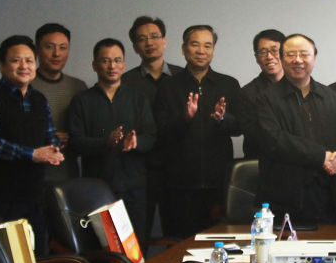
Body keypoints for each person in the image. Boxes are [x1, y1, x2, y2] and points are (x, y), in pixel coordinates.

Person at [0, 35, 64, 256]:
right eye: (16, 60)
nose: (24, 66)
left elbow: (50, 135)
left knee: (36, 259)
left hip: (35, 197)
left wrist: (54, 150)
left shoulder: (39, 99)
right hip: (1, 200)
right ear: (3, 66)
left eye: (29, 61)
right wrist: (32, 154)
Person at [255, 34, 336, 224]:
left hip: (326, 197)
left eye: (304, 54)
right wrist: (321, 156)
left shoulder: (331, 97)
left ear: (314, 58)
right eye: (291, 54)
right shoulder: (266, 98)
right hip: (284, 197)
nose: (298, 60)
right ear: (282, 59)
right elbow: (274, 141)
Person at [155, 25, 241, 237]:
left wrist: (222, 119)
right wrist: (184, 119)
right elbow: (161, 132)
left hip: (218, 182)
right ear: (184, 49)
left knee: (217, 242)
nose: (201, 51)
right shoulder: (168, 86)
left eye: (207, 45)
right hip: (179, 184)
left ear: (213, 50)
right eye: (195, 44)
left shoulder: (228, 84)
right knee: (180, 242)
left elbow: (239, 128)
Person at [68, 39, 156, 239]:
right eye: (105, 61)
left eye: (117, 60)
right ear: (95, 65)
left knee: (136, 246)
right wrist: (105, 143)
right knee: (102, 247)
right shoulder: (82, 100)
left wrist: (136, 142)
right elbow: (75, 142)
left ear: (124, 64)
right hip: (97, 190)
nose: (112, 66)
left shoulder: (137, 98)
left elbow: (151, 137)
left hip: (134, 187)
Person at [121, 16, 182, 239]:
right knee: (138, 234)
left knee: (176, 233)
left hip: (177, 166)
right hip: (140, 168)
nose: (149, 42)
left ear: (164, 41)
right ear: (135, 47)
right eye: (142, 39)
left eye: (154, 36)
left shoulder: (182, 76)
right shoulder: (125, 82)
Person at [32, 23, 88, 184]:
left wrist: (74, 139)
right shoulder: (25, 85)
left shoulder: (78, 87)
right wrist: (47, 138)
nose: (57, 54)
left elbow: (89, 132)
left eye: (63, 48)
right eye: (49, 47)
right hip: (31, 176)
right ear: (37, 50)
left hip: (68, 176)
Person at [237, 29, 285, 159]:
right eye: (263, 52)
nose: (269, 57)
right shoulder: (247, 93)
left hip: (298, 160)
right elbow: (253, 135)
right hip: (262, 160)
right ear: (257, 58)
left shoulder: (299, 87)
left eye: (274, 50)